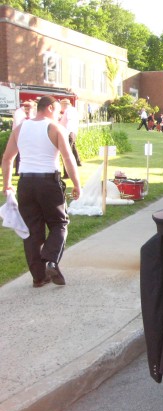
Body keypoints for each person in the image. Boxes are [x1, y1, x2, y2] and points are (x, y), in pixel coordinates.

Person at [1, 95, 82, 288]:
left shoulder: (20, 128)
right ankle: (51, 260)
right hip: (48, 182)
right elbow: (68, 159)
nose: (59, 115)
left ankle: (39, 277)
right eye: (58, 111)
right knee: (59, 223)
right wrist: (77, 185)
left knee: (32, 230)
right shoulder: (54, 128)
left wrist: (6, 184)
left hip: (26, 183)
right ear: (51, 108)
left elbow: (7, 158)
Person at [59, 99, 82, 179]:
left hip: (68, 133)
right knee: (72, 150)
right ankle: (78, 162)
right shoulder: (73, 110)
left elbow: (68, 122)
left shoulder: (68, 111)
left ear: (64, 105)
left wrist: (66, 132)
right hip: (72, 132)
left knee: (66, 153)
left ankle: (67, 174)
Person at [11, 100, 36, 175]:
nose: (29, 109)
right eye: (28, 108)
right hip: (19, 133)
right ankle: (18, 170)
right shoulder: (19, 112)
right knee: (18, 152)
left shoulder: (33, 112)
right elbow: (18, 123)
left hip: (30, 134)